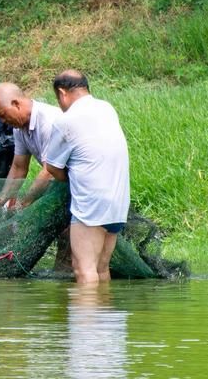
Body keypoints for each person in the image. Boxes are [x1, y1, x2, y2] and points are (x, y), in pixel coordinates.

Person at [46, 70, 130, 284]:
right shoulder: (107, 108)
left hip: (91, 204)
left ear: (62, 93)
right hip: (118, 201)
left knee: (84, 269)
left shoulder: (66, 121)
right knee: (101, 268)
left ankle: (88, 317)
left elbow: (53, 168)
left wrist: (69, 178)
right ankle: (105, 316)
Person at [0, 82, 62, 211]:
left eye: (2, 114)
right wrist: (0, 201)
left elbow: (49, 171)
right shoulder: (19, 128)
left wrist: (23, 204)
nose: (2, 121)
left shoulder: (48, 122)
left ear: (16, 104)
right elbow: (18, 167)